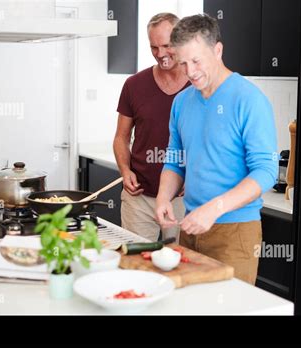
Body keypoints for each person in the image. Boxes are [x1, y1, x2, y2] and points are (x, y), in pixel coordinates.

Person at [155, 14, 278, 284]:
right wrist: (164, 197)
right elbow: (175, 160)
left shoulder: (249, 100)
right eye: (183, 62)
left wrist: (214, 208)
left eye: (196, 60)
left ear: (218, 50)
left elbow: (266, 171)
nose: (190, 71)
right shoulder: (181, 102)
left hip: (235, 233)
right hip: (190, 228)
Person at [113, 13, 190, 242]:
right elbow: (121, 137)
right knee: (137, 266)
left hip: (183, 199)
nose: (160, 54)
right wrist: (125, 171)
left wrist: (193, 177)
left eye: (166, 45)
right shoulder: (134, 85)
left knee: (180, 266)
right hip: (139, 200)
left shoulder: (197, 85)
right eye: (154, 47)